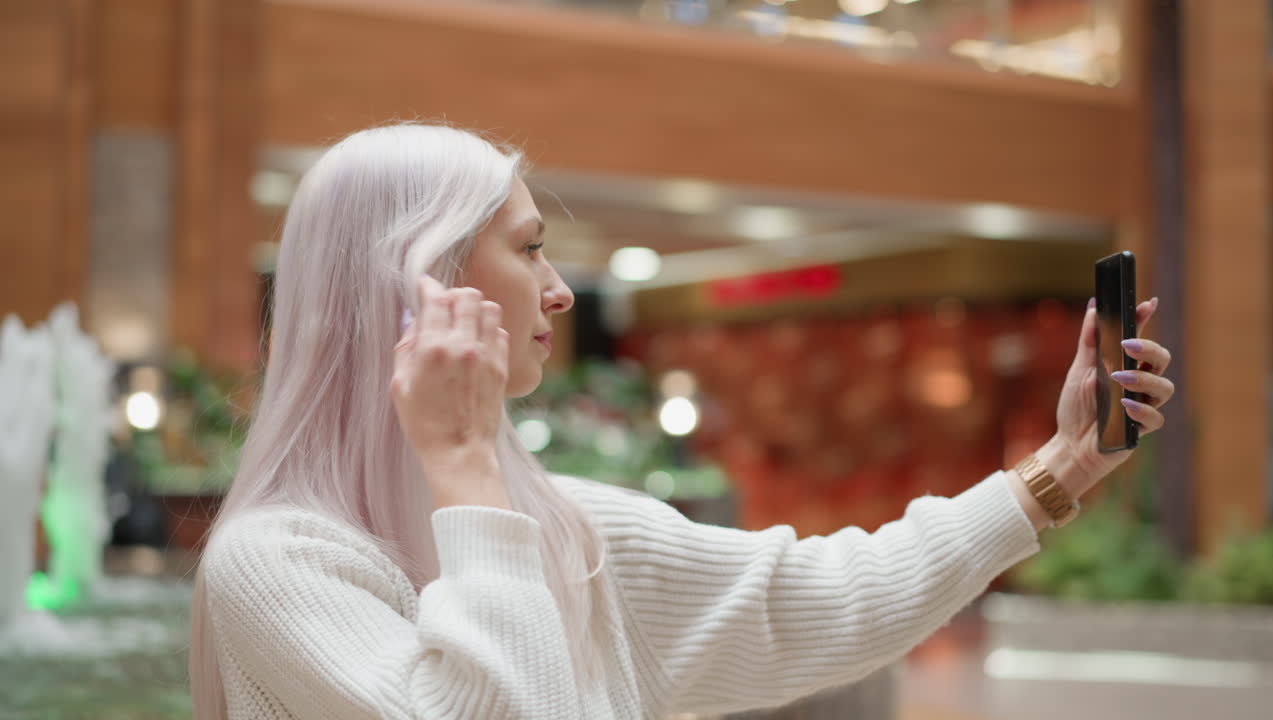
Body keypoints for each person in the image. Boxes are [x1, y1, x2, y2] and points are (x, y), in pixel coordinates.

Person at [188, 123, 1175, 720]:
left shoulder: (570, 531)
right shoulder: (279, 567)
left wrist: (1059, 468)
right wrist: (457, 461)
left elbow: (816, 600)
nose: (559, 291)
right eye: (529, 248)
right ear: (422, 283)